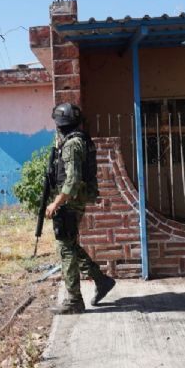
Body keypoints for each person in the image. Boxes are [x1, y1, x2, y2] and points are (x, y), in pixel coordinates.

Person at [45, 102, 116, 314]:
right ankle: (101, 280)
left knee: (65, 248)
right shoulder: (80, 140)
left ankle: (74, 301)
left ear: (60, 124)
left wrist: (56, 202)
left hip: (69, 202)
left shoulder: (71, 145)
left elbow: (73, 179)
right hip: (74, 200)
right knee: (69, 244)